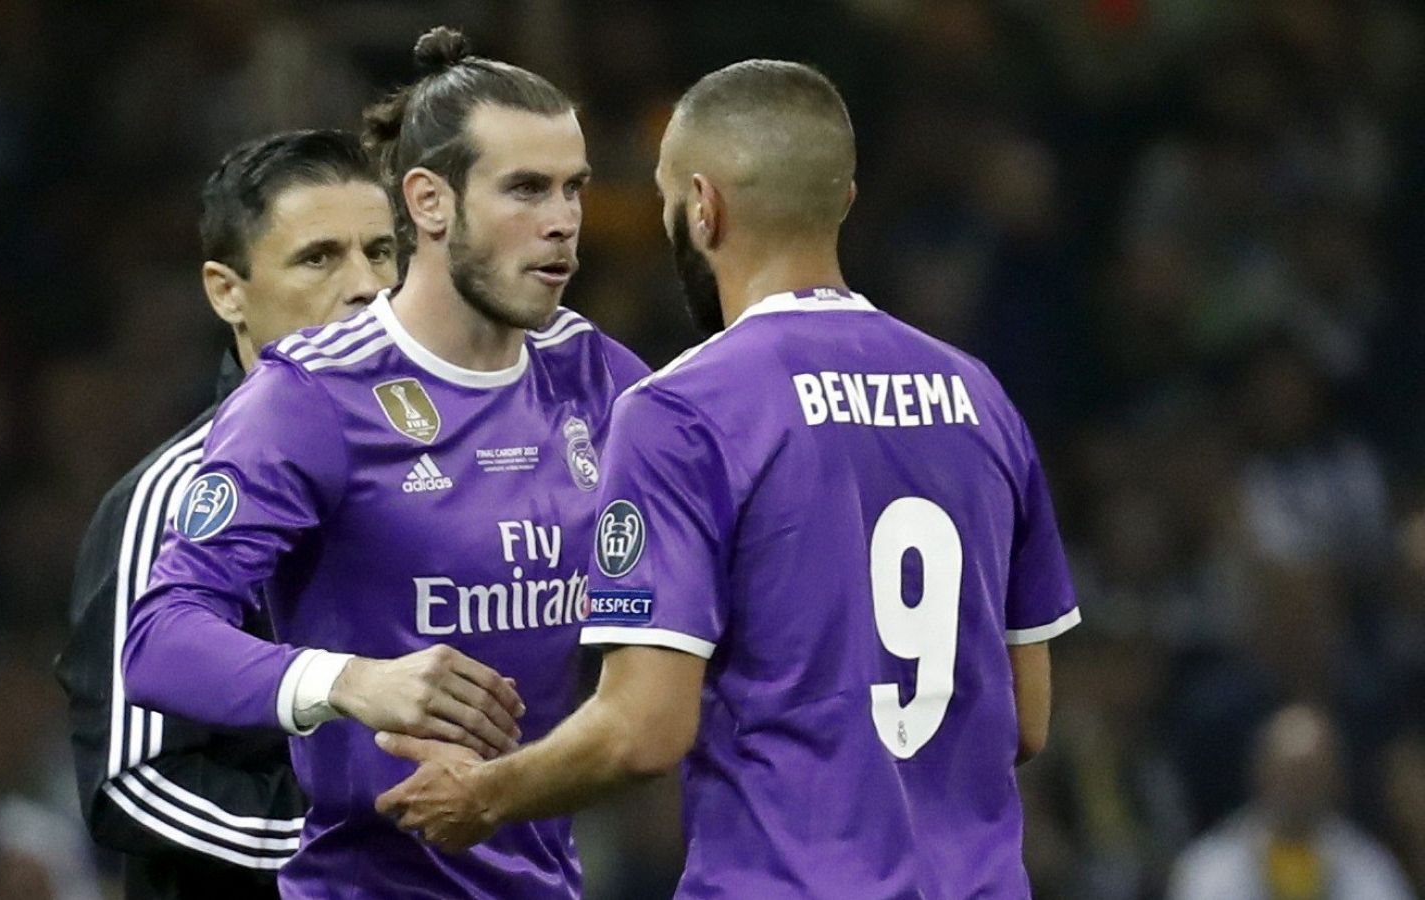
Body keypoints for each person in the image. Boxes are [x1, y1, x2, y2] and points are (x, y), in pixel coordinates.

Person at [376, 60, 1081, 898]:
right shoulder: (977, 396)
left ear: (703, 208)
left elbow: (643, 730)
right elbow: (1025, 719)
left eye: (672, 202)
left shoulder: (684, 410)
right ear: (843, 200)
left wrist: (486, 797)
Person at [120, 27, 649, 900]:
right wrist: (351, 682)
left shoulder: (593, 376)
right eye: (525, 189)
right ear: (430, 203)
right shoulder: (310, 400)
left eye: (573, 189)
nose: (562, 222)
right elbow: (159, 639)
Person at [55, 128, 407, 897]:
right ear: (227, 291)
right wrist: (355, 844)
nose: (365, 287)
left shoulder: (439, 470)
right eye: (320, 258)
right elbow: (136, 780)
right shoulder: (177, 494)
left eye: (381, 252)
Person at [1167, 705, 1414, 900]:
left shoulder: (1370, 867)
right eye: (1290, 773)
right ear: (1260, 773)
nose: (1300, 788)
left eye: (1312, 774)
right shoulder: (1209, 868)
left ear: (1336, 780)